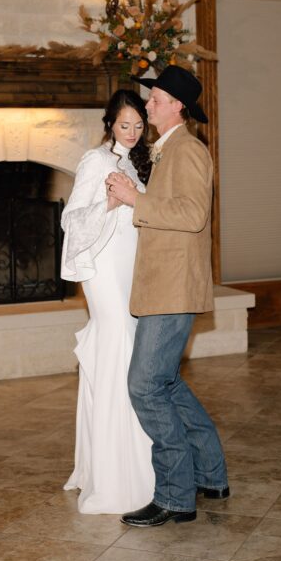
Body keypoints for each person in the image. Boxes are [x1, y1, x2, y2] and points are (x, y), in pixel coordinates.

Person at [106, 65, 229, 527]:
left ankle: (176, 496)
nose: (148, 104)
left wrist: (136, 199)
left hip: (172, 289)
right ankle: (211, 474)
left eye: (155, 98)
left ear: (177, 105)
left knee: (145, 386)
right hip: (165, 287)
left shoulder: (188, 150)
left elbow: (193, 214)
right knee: (166, 383)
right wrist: (136, 195)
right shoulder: (168, 150)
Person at [60, 89, 154, 514]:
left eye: (138, 125)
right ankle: (117, 477)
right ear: (109, 124)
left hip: (130, 267)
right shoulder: (94, 161)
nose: (132, 133)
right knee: (118, 350)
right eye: (124, 125)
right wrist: (111, 202)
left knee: (128, 353)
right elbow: (72, 219)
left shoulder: (141, 161)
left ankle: (121, 462)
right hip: (101, 269)